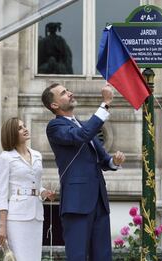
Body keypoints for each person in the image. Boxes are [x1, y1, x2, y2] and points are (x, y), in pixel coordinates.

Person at [41, 83, 126, 261]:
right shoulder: (55, 127)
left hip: (99, 201)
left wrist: (114, 162)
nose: (70, 93)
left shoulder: (82, 124)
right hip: (77, 202)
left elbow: (104, 161)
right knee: (77, 256)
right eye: (64, 93)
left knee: (103, 256)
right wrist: (105, 104)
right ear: (54, 105)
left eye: (68, 90)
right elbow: (81, 136)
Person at [0, 117, 55, 261]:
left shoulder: (37, 155)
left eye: (24, 126)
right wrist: (2, 226)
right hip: (17, 218)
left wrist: (44, 192)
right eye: (20, 128)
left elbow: (36, 185)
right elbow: (2, 193)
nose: (25, 129)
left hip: (36, 215)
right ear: (11, 134)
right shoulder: (6, 157)